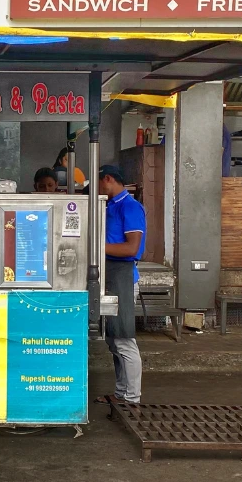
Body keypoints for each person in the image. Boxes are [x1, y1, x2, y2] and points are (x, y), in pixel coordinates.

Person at [96, 165, 146, 405]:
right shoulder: (109, 206)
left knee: (124, 339)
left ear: (107, 179)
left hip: (123, 277)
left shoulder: (130, 206)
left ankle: (132, 397)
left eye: (99, 183)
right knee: (113, 340)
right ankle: (120, 393)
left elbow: (131, 248)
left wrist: (94, 246)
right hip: (110, 275)